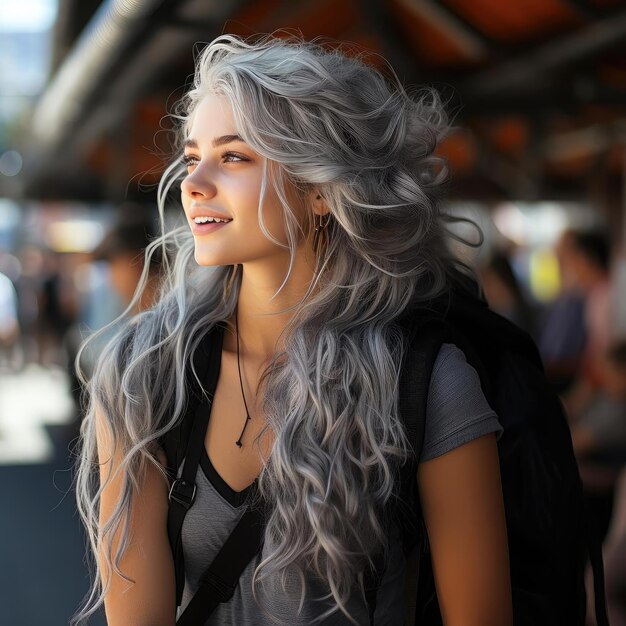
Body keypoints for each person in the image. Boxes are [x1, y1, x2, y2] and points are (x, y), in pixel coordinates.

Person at [73, 34, 512, 626]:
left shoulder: (426, 383)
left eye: (234, 156)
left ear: (321, 190)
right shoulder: (144, 374)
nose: (193, 182)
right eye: (192, 154)